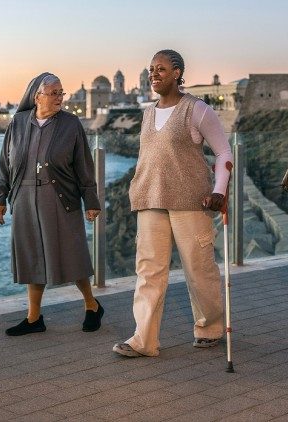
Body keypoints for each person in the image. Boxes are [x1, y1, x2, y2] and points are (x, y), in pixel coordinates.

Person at [112, 49, 233, 357]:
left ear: (178, 72)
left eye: (161, 68)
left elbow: (224, 153)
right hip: (149, 199)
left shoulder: (197, 109)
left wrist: (219, 190)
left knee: (198, 269)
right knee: (148, 271)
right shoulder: (149, 112)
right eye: (152, 69)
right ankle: (144, 339)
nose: (154, 73)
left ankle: (210, 327)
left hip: (190, 201)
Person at [0, 72, 104, 336]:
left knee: (71, 253)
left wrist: (91, 200)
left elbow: (84, 166)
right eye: (53, 93)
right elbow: (5, 165)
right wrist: (0, 198)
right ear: (37, 96)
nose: (59, 98)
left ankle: (91, 305)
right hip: (23, 199)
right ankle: (34, 318)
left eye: (61, 93)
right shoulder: (18, 123)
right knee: (31, 256)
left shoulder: (71, 124)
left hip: (60, 198)